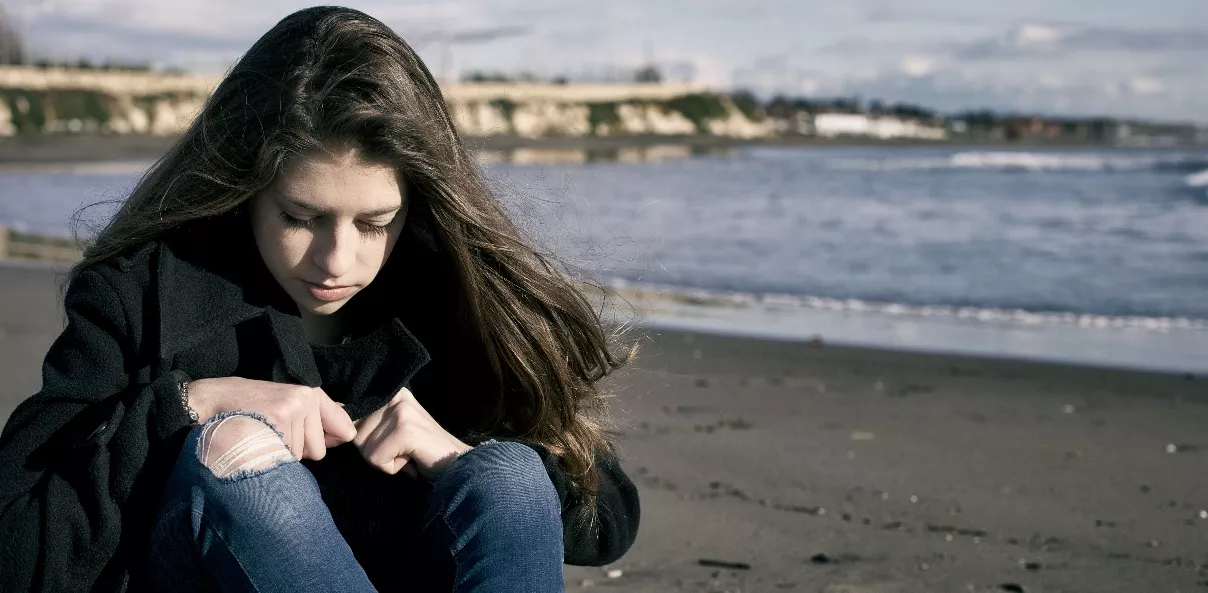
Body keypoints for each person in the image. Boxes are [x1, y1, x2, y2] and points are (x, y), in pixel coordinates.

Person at [0, 6, 640, 592]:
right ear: (247, 184)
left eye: (374, 222)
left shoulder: (459, 293)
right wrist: (191, 404)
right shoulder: (139, 291)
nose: (337, 261)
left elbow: (609, 517)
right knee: (237, 450)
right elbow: (15, 543)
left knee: (508, 475)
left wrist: (456, 456)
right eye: (301, 216)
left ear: (415, 200)